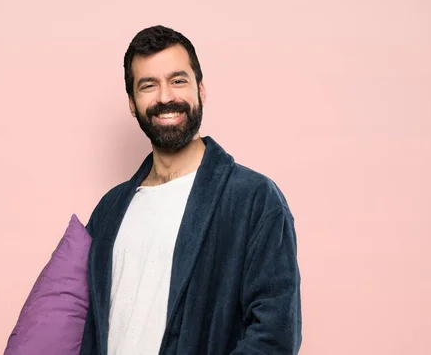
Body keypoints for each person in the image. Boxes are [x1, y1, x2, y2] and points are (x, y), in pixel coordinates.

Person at [80, 25, 302, 355]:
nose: (166, 96)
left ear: (200, 89)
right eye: (148, 85)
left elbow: (275, 337)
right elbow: (79, 321)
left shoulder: (253, 199)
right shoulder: (108, 211)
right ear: (132, 102)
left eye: (178, 80)